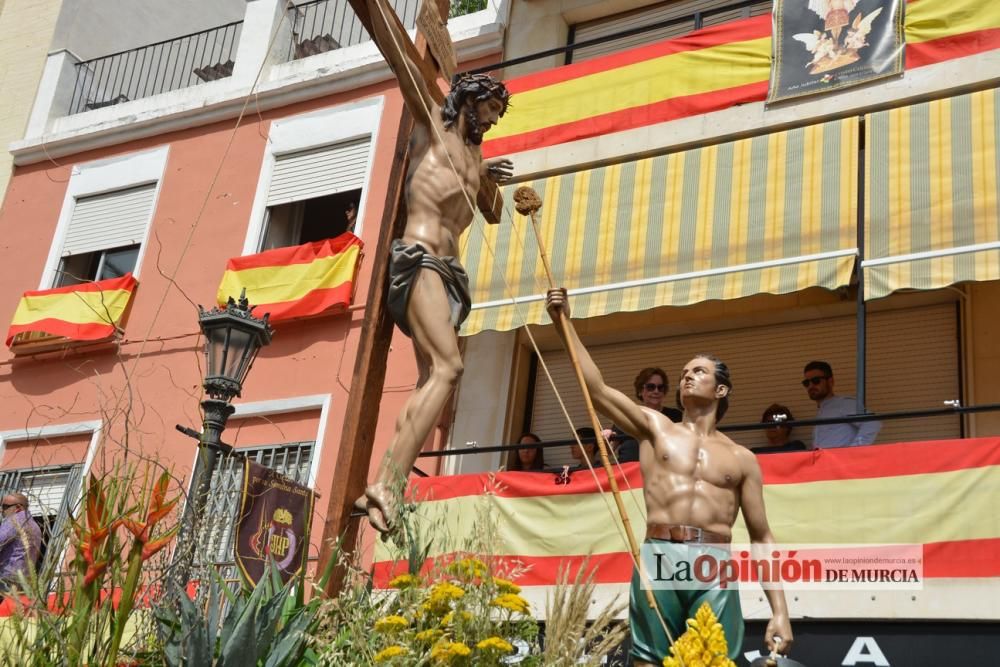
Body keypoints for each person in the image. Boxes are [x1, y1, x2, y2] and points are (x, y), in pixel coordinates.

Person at [545, 288, 792, 664]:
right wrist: (564, 324)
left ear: (721, 388)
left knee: (713, 659)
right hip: (661, 550)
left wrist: (780, 611)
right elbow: (596, 390)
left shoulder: (742, 458)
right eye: (684, 373)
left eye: (698, 371)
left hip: (714, 558)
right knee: (649, 659)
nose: (687, 377)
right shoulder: (657, 428)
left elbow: (762, 536)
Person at [356, 0, 514, 534]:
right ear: (467, 99)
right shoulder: (431, 119)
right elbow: (399, 47)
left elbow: (487, 204)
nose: (490, 122)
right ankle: (387, 483)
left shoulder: (476, 164)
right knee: (449, 367)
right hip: (418, 257)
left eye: (497, 117)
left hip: (450, 274)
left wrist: (489, 176)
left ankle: (385, 486)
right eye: (488, 109)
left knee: (432, 378)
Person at [607, 367, 683, 463]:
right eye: (650, 387)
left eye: (660, 387)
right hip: (630, 473)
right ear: (640, 391)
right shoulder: (628, 414)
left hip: (661, 472)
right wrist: (606, 438)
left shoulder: (675, 416)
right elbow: (609, 450)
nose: (656, 391)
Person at [802, 361, 881, 448]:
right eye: (806, 383)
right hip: (824, 461)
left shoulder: (843, 403)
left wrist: (852, 451)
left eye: (815, 381)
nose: (810, 386)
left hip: (841, 461)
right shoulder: (821, 411)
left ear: (830, 381)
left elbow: (872, 422)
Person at [0, 493, 41, 592]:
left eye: (5, 506)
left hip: (7, 579)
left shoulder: (13, 521)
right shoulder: (35, 526)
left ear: (18, 507)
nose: (1, 510)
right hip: (25, 580)